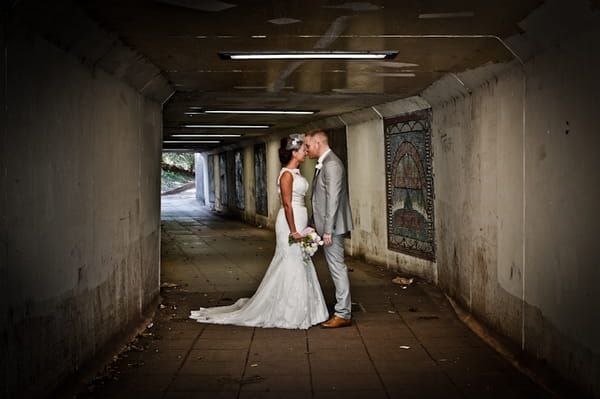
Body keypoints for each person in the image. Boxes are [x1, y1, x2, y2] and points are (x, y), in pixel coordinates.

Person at [189, 134, 329, 329]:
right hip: (290, 223)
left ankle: (303, 308)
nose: (306, 152)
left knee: (300, 260)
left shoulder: (296, 173)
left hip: (300, 218)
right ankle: (289, 311)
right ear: (293, 152)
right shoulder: (286, 175)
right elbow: (287, 205)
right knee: (292, 261)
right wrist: (295, 231)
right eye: (303, 150)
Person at [304, 129, 354, 328]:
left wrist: (328, 231)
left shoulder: (331, 164)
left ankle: (343, 313)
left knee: (337, 268)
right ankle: (343, 311)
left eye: (308, 145)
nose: (306, 150)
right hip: (324, 225)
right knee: (335, 267)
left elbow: (333, 200)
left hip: (331, 227)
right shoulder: (325, 162)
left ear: (318, 143)